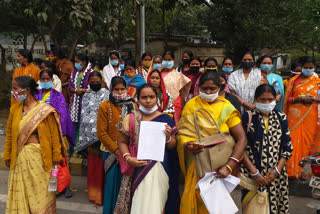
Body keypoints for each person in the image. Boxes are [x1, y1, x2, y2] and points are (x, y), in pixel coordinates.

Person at [177, 71, 247, 213]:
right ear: (198, 88)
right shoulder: (192, 105)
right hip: (196, 163)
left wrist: (229, 166)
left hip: (219, 165)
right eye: (204, 89)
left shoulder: (226, 108)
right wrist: (187, 144)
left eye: (212, 89)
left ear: (220, 88)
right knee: (194, 197)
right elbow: (183, 133)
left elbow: (242, 139)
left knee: (215, 206)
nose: (208, 92)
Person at [5, 76, 65, 213]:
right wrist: (8, 155)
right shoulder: (15, 110)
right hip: (19, 157)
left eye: (15, 89)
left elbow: (54, 136)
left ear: (26, 91)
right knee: (21, 194)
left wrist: (56, 157)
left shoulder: (45, 111)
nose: (13, 91)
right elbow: (9, 134)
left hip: (40, 159)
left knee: (40, 195)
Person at [117, 84, 180, 214]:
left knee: (157, 206)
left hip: (160, 169)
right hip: (137, 168)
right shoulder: (132, 118)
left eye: (151, 97)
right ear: (138, 99)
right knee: (139, 205)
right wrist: (128, 158)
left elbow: (173, 145)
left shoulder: (166, 119)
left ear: (157, 98)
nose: (148, 101)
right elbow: (122, 141)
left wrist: (168, 137)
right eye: (144, 97)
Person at [241, 84, 293, 214]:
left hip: (276, 177)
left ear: (275, 99)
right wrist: (254, 172)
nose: (266, 103)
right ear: (255, 99)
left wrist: (277, 170)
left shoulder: (281, 117)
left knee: (275, 208)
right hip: (252, 177)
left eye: (270, 100)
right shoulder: (248, 117)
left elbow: (287, 146)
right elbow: (239, 146)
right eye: (262, 100)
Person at [97, 76, 136, 213]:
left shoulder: (133, 105)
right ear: (111, 90)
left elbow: (136, 128)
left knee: (126, 186)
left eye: (122, 89)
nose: (120, 92)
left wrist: (126, 152)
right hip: (110, 152)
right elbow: (101, 133)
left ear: (127, 89)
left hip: (129, 153)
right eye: (116, 89)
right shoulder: (104, 106)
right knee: (111, 185)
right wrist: (116, 150)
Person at [34, 69, 75, 198]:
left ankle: (64, 186)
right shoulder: (36, 95)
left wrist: (59, 132)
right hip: (39, 133)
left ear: (52, 81)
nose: (45, 81)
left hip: (56, 132)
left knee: (60, 160)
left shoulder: (58, 96)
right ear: (39, 81)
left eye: (48, 79)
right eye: (43, 79)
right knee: (43, 160)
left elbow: (63, 116)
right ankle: (46, 186)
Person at [284, 56, 320, 178]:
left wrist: (315, 99)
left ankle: (303, 171)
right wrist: (299, 99)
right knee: (292, 142)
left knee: (307, 143)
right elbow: (287, 100)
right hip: (294, 117)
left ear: (315, 67)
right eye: (306, 67)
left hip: (311, 116)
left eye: (311, 67)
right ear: (302, 67)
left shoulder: (317, 81)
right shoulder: (293, 81)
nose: (308, 69)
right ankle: (290, 172)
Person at [77, 71, 109, 205]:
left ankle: (103, 195)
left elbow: (108, 114)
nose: (95, 83)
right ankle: (93, 194)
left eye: (97, 81)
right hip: (90, 139)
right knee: (93, 167)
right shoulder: (86, 95)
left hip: (104, 138)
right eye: (92, 81)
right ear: (88, 82)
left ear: (101, 81)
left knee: (104, 168)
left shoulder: (107, 94)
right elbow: (84, 117)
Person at [161, 50, 191, 125]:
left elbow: (183, 93)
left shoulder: (178, 75)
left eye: (169, 59)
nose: (167, 61)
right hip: (160, 103)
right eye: (165, 60)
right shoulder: (157, 74)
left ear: (173, 60)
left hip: (175, 105)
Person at [69, 53, 93, 146]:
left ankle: (83, 147)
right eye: (75, 62)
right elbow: (70, 86)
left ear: (84, 62)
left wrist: (83, 90)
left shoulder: (91, 73)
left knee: (84, 124)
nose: (76, 64)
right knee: (74, 123)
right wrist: (76, 90)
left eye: (77, 62)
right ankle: (74, 146)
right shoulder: (74, 73)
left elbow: (93, 88)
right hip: (75, 102)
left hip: (86, 102)